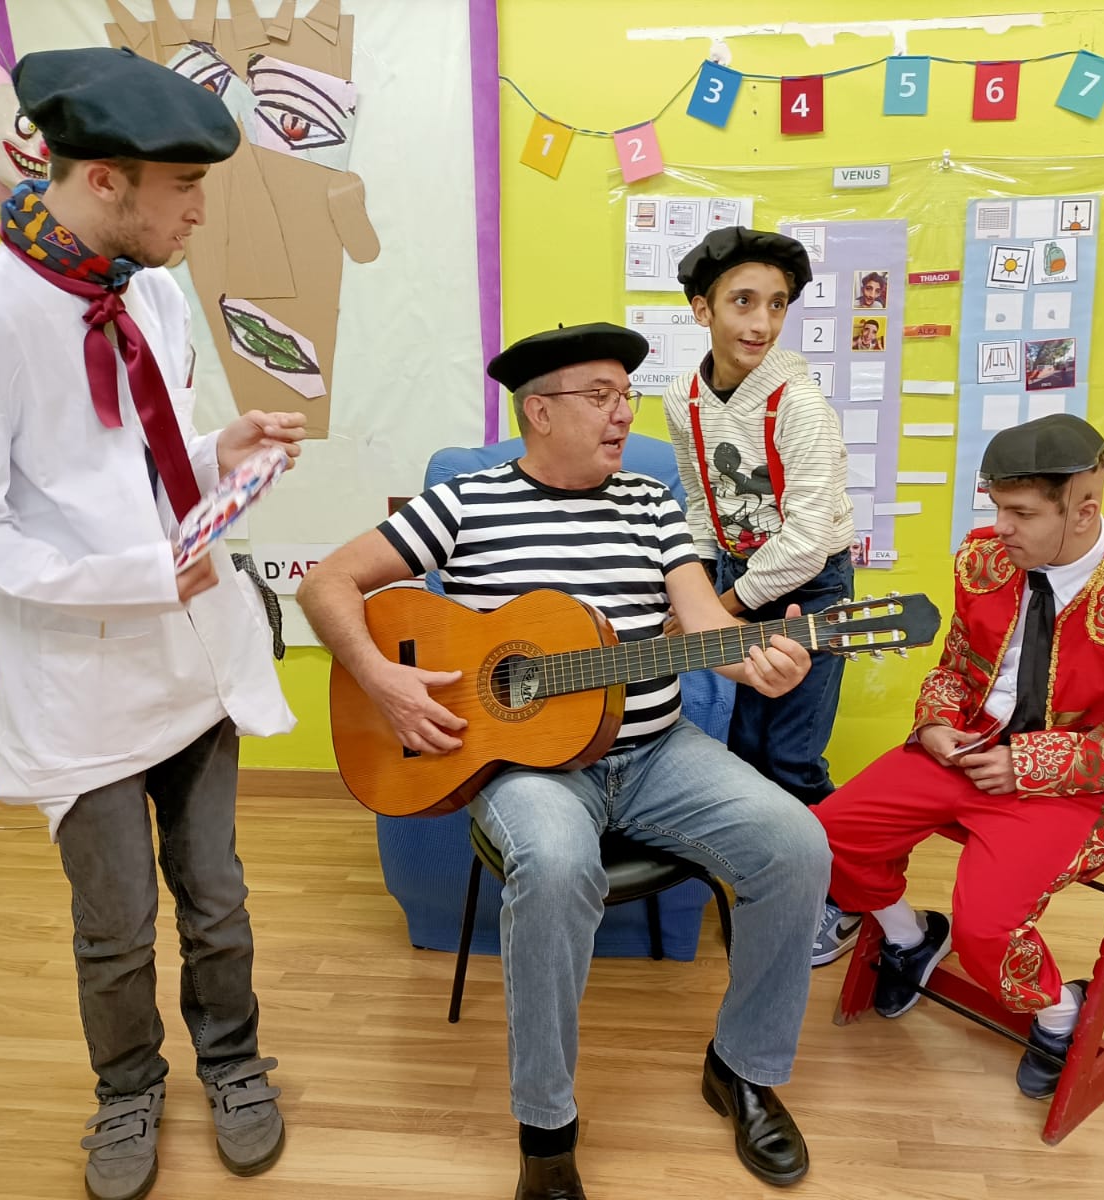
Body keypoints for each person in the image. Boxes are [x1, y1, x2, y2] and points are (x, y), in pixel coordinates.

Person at [297, 323, 832, 1199]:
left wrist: (758, 660)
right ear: (539, 411)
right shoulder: (463, 502)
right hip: (526, 769)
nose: (624, 414)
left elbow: (705, 623)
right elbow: (325, 583)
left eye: (627, 395)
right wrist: (380, 678)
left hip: (658, 751)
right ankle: (546, 1126)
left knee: (798, 844)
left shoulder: (653, 504)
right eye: (601, 396)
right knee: (552, 864)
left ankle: (742, 1069)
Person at [0, 47, 304, 1200]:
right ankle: (126, 1089)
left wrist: (222, 452)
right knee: (117, 923)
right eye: (183, 189)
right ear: (100, 182)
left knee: (217, 898)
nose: (197, 214)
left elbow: (144, 453)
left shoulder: (153, 292)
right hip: (80, 687)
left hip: (193, 657)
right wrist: (134, 575)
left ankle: (233, 1063)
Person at [813, 414, 1104, 1099]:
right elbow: (955, 667)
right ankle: (909, 937)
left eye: (1021, 513)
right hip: (967, 749)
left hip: (1076, 786)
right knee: (820, 835)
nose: (1000, 528)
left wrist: (1031, 763)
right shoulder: (983, 559)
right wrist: (936, 722)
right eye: (996, 507)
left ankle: (1060, 1012)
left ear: (1083, 510)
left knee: (986, 930)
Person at [661, 227, 861, 969]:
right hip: (737, 579)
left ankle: (835, 899)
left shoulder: (798, 404)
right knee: (744, 752)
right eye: (743, 302)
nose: (762, 322)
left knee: (793, 755)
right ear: (701, 309)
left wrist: (722, 608)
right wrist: (691, 587)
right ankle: (772, 888)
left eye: (776, 304)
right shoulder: (683, 400)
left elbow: (806, 539)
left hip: (814, 584)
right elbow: (701, 506)